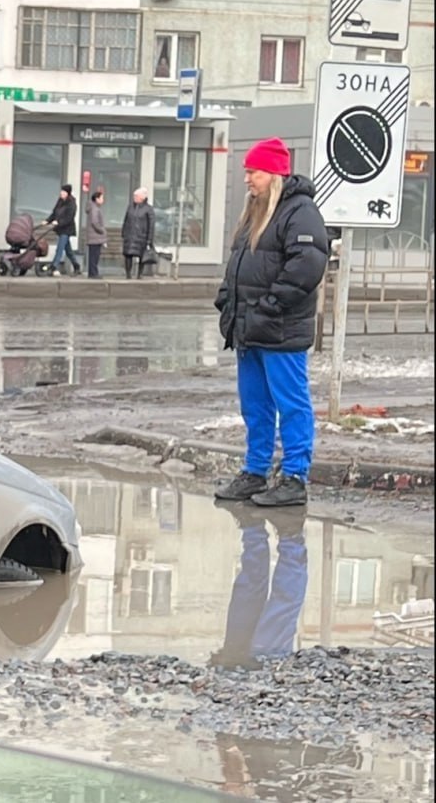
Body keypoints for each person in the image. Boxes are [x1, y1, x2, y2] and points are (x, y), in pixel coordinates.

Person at [213, 138, 329, 508]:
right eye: (247, 171)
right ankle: (255, 470)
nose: (248, 178)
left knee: (292, 404)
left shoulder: (300, 211)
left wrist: (271, 304)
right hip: (250, 327)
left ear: (274, 174)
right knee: (256, 405)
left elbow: (307, 264)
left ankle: (295, 477)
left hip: (279, 327)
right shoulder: (256, 211)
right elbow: (240, 263)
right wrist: (227, 299)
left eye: (254, 172)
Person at [209, 501, 309, 668]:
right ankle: (290, 533)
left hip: (233, 666)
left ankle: (253, 526)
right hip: (267, 669)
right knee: (276, 618)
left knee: (246, 598)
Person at [45, 184, 80, 276]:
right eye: (61, 191)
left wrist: (59, 222)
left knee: (60, 248)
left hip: (67, 229)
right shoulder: (60, 201)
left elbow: (69, 218)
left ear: (67, 193)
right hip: (60, 229)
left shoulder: (72, 203)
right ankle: (77, 266)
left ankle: (53, 267)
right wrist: (47, 221)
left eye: (63, 192)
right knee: (68, 250)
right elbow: (54, 212)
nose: (61, 193)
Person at [121, 187, 155, 279]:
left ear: (142, 197)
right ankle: (128, 274)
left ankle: (139, 274)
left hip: (141, 237)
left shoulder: (148, 209)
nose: (134, 197)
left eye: (136, 196)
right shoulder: (130, 207)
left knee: (142, 256)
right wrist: (124, 232)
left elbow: (151, 225)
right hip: (130, 235)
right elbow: (126, 220)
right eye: (134, 196)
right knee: (128, 255)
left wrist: (149, 239)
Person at [85, 188, 107, 279]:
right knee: (94, 256)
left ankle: (92, 273)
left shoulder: (92, 208)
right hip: (95, 237)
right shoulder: (95, 209)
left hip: (92, 236)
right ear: (97, 199)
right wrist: (102, 230)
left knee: (92, 256)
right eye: (101, 198)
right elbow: (95, 222)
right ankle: (94, 273)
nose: (103, 200)